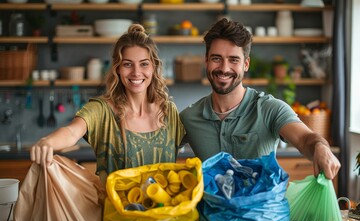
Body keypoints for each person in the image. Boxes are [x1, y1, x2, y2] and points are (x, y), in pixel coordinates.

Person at [180, 18, 340, 180]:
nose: (224, 68)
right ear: (206, 61)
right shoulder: (189, 117)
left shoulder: (270, 109)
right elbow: (160, 146)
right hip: (209, 205)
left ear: (246, 64)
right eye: (216, 58)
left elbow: (305, 139)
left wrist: (320, 147)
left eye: (233, 60)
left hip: (262, 205)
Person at [31, 23, 185, 186]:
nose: (136, 72)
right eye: (127, 64)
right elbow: (71, 132)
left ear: (153, 68)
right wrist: (48, 142)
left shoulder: (168, 111)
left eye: (144, 64)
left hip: (167, 210)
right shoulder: (101, 110)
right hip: (117, 211)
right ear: (117, 68)